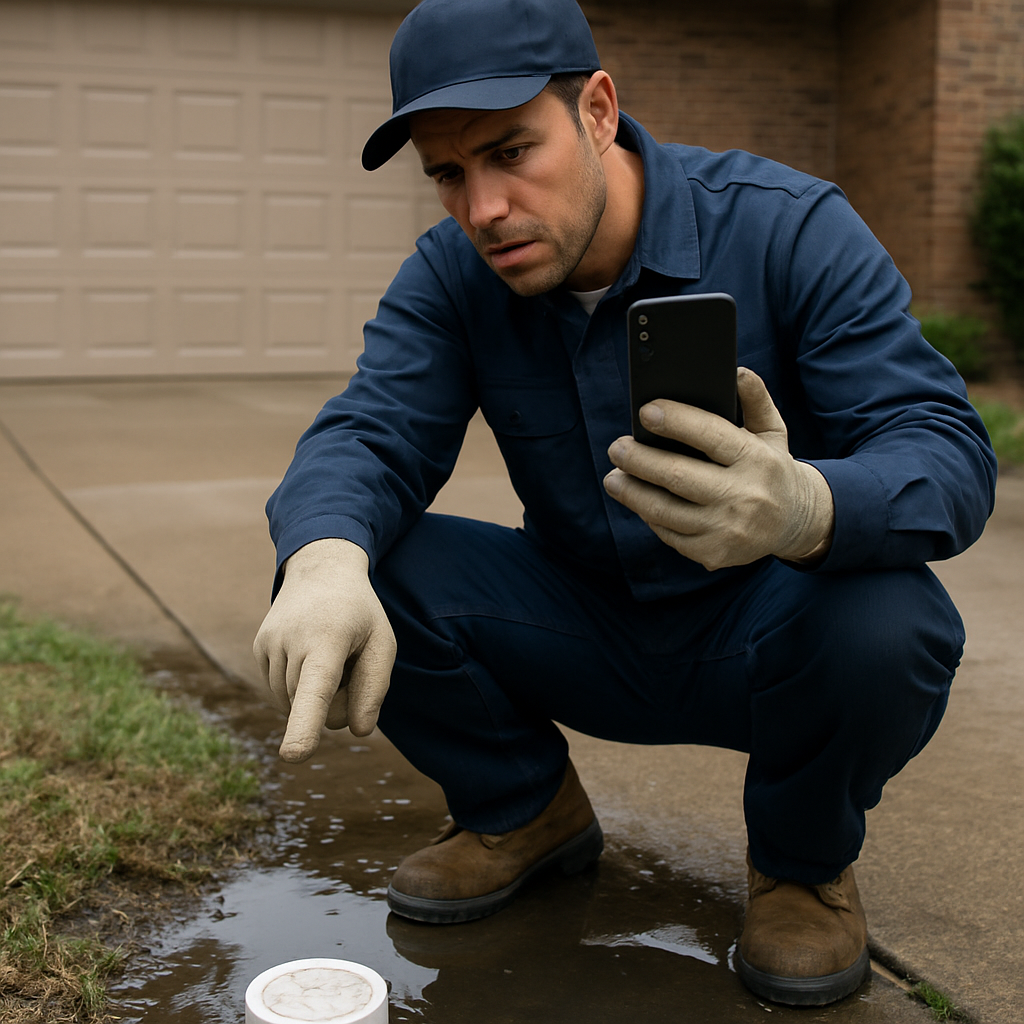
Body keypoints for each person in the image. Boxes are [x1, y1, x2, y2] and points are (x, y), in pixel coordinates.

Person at [253, 0, 997, 1007]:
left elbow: (946, 453)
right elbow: (367, 432)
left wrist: (804, 505)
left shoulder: (790, 227)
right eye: (448, 173)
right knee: (351, 558)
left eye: (511, 150)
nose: (483, 208)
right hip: (580, 618)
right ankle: (523, 811)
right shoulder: (453, 275)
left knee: (890, 616)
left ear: (597, 109)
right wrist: (325, 559)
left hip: (769, 625)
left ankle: (798, 863)